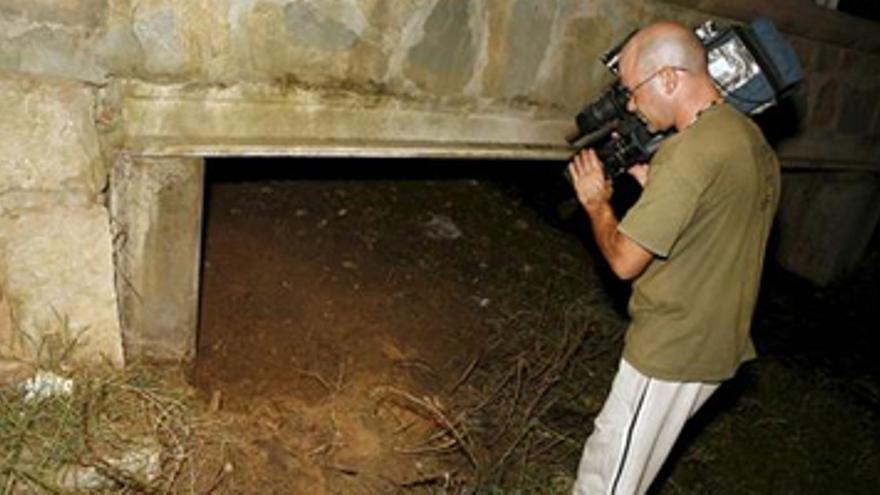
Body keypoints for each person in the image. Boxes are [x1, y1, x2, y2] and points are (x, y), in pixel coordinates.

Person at [567, 20, 781, 494]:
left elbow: (624, 261)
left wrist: (597, 203)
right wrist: (662, 193)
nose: (628, 103)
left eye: (631, 88)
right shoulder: (746, 137)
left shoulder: (688, 154)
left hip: (674, 349)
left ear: (668, 78)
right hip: (716, 342)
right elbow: (722, 222)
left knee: (609, 474)